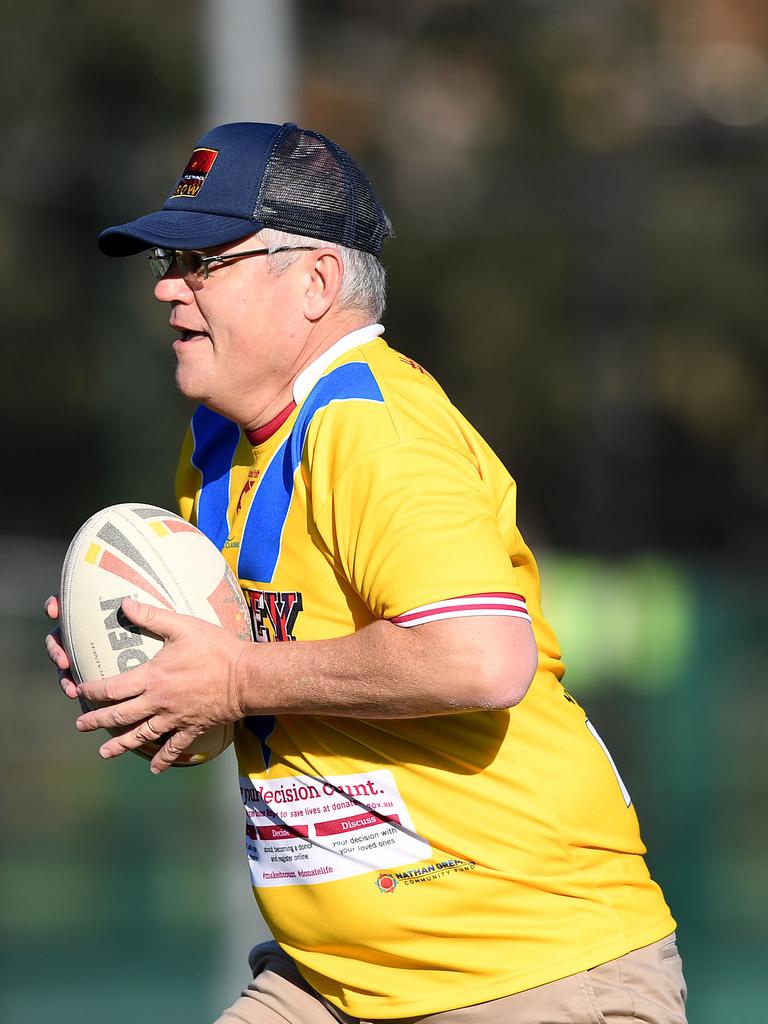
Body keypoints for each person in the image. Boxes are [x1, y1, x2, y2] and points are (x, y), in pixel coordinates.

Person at [45, 121, 687, 1023]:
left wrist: (231, 675)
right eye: (166, 264)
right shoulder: (219, 448)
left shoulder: (376, 428)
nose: (169, 291)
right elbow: (256, 699)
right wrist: (157, 691)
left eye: (205, 264)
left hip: (528, 973)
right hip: (335, 979)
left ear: (315, 281)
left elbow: (479, 659)